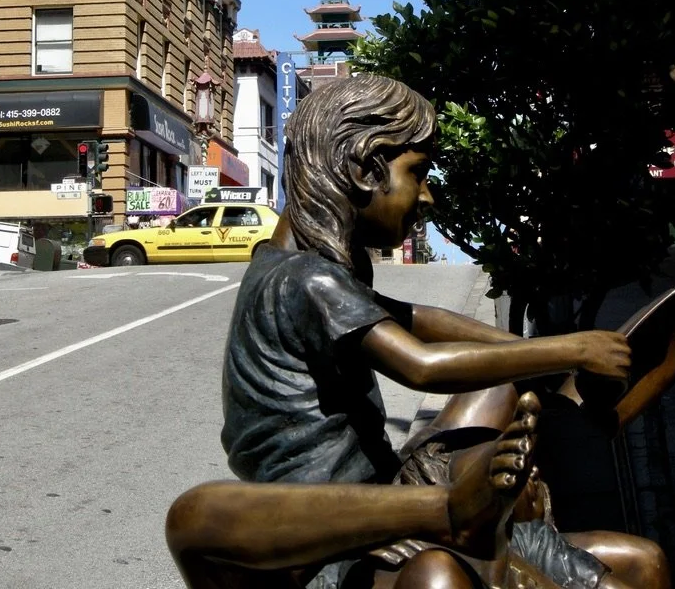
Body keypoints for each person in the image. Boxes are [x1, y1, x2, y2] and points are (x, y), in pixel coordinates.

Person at [166, 76, 637, 589]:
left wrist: (544, 359)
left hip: (376, 485)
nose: (428, 196)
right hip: (328, 522)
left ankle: (482, 499)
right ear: (366, 170)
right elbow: (421, 364)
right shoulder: (303, 278)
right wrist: (573, 348)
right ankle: (459, 510)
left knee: (502, 381)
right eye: (419, 173)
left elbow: (419, 319)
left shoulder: (314, 266)